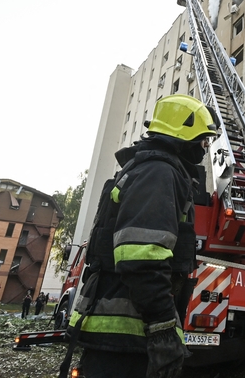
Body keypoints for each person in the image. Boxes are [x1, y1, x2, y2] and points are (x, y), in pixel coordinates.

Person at [65, 95, 219, 378]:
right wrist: (162, 328)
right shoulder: (158, 173)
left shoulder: (148, 168)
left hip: (123, 336)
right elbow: (141, 257)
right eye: (203, 139)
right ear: (185, 134)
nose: (205, 147)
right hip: (126, 338)